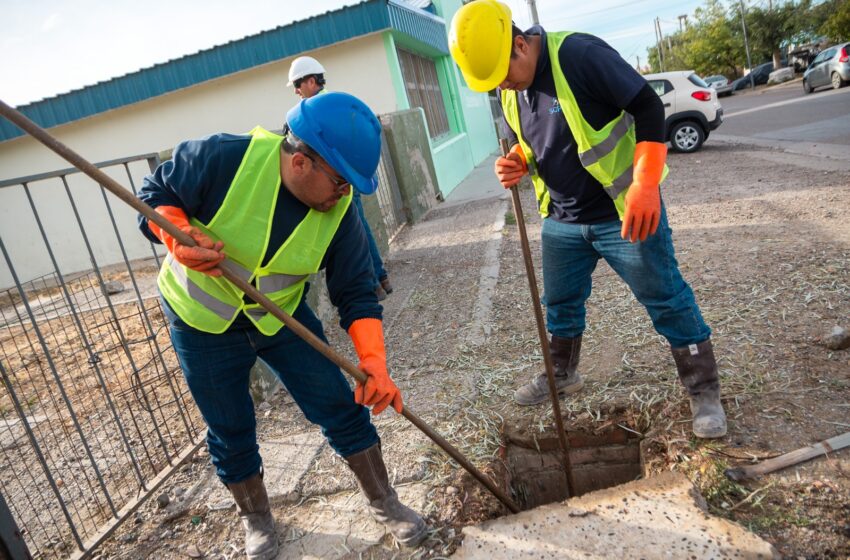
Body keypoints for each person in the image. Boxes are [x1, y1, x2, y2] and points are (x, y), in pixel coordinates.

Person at [137, 92, 426, 559]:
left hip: (280, 316)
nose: (345, 193)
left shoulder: (341, 213)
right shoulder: (223, 159)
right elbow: (155, 194)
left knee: (339, 405)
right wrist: (177, 236)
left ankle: (384, 501)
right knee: (229, 426)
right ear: (300, 162)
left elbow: (355, 290)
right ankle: (256, 518)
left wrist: (374, 362)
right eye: (340, 181)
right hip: (200, 322)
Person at [448, 0, 727, 439]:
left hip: (622, 212)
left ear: (520, 44)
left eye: (503, 73)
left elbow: (648, 107)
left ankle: (703, 389)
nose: (501, 85)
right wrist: (518, 160)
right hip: (562, 219)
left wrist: (646, 184)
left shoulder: (579, 55)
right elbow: (534, 140)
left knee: (666, 297)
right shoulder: (508, 88)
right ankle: (562, 373)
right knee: (560, 303)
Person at [287, 55, 394, 300]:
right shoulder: (337, 103)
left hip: (332, 181)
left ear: (311, 81)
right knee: (360, 227)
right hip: (347, 177)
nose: (296, 91)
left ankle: (371, 284)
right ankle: (380, 278)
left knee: (352, 234)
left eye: (297, 84)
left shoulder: (315, 110)